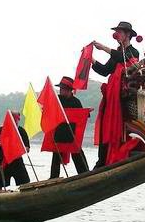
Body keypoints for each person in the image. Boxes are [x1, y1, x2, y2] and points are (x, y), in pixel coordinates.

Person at [91, 21, 140, 168]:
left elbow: (123, 57)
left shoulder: (133, 51)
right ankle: (102, 161)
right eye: (117, 31)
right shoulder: (117, 53)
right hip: (112, 95)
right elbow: (105, 70)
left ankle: (120, 156)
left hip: (125, 95)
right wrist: (91, 60)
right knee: (106, 125)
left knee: (122, 125)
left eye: (120, 32)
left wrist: (104, 48)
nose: (117, 34)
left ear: (128, 35)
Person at [49, 76, 90, 179]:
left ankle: (85, 174)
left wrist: (86, 112)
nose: (61, 90)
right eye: (61, 88)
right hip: (59, 132)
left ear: (69, 90)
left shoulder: (76, 102)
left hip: (72, 132)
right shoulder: (57, 100)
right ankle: (54, 178)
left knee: (77, 153)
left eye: (62, 89)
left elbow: (82, 116)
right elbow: (50, 111)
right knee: (56, 156)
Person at [0, 110, 31, 186]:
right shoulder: (0, 130)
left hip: (16, 160)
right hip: (3, 160)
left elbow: (27, 149)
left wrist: (15, 144)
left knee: (25, 183)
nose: (14, 121)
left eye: (16, 118)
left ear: (19, 119)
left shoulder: (21, 131)